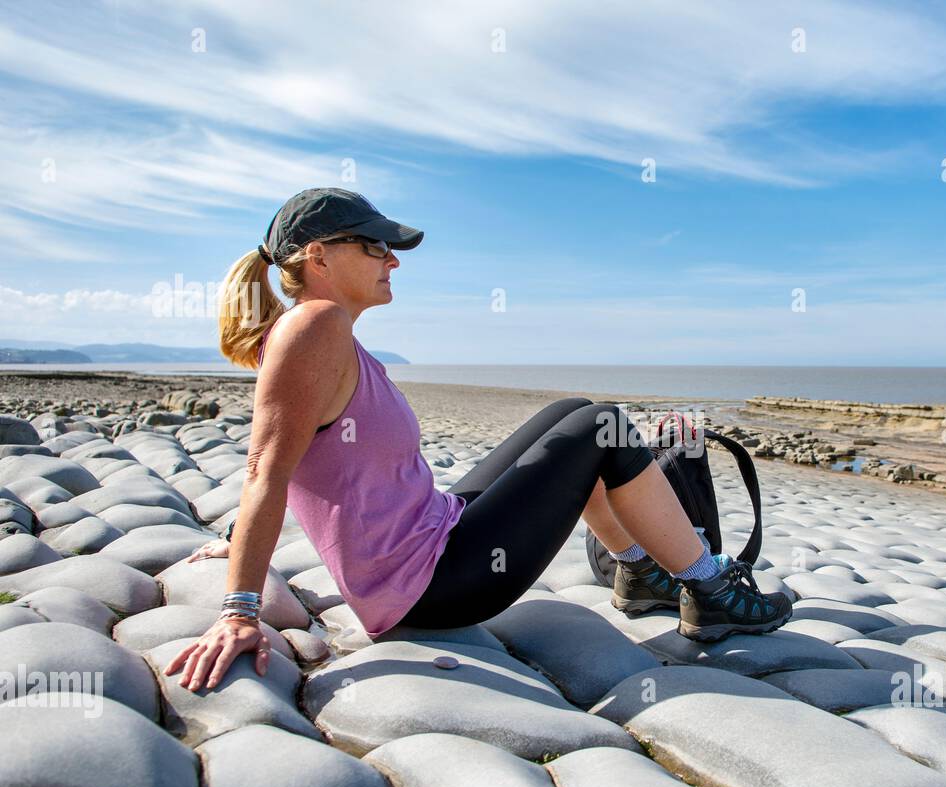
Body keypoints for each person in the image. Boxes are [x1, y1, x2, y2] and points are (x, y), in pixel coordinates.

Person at [166, 187, 791, 693]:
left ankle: (640, 573)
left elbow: (315, 466)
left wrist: (233, 540)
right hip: (435, 585)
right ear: (320, 255)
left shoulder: (327, 335)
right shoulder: (316, 327)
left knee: (574, 412)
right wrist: (238, 612)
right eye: (378, 245)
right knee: (602, 424)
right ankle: (711, 592)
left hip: (437, 535)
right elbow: (266, 471)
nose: (394, 259)